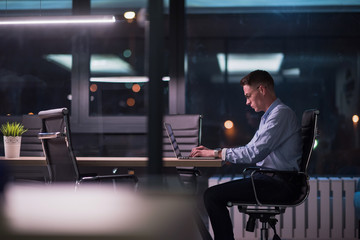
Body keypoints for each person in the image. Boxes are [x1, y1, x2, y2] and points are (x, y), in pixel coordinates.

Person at [189, 70, 302, 240]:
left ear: (262, 89)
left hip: (278, 184)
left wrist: (216, 153)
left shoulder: (280, 114)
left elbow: (253, 153)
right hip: (271, 180)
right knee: (212, 195)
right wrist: (221, 154)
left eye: (249, 95)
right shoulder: (270, 116)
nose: (247, 102)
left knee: (212, 196)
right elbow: (252, 149)